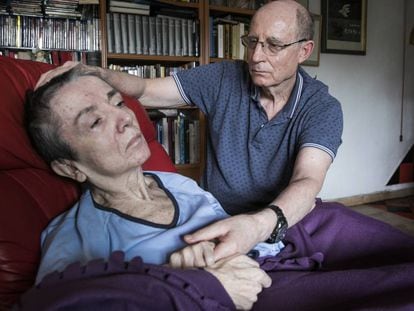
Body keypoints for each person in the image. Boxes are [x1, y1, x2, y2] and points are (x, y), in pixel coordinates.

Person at [36, 0, 342, 262]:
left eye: (273, 45)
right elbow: (144, 89)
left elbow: (307, 180)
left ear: (304, 50)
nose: (256, 56)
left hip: (278, 220)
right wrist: (97, 74)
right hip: (215, 215)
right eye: (251, 42)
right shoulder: (223, 77)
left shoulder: (322, 107)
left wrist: (259, 225)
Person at [26, 65, 275, 310]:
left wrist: (225, 250)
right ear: (70, 168)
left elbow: (254, 243)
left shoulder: (178, 184)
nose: (125, 118)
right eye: (95, 121)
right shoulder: (75, 241)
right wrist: (188, 281)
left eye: (118, 103)